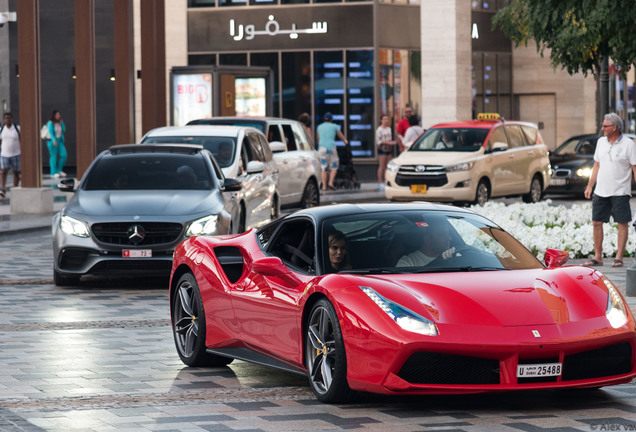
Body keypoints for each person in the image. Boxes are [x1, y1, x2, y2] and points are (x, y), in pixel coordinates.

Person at [583, 113, 636, 268]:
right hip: (601, 191)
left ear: (615, 128)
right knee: (596, 222)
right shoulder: (601, 142)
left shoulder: (629, 144)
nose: (602, 128)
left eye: (605, 126)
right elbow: (596, 165)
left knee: (622, 223)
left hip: (620, 191)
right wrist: (589, 185)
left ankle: (619, 257)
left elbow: (634, 168)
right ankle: (598, 256)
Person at [316, 112, 348, 191]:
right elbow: (340, 135)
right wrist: (345, 141)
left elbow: (317, 138)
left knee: (323, 168)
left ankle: (323, 186)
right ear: (331, 119)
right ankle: (330, 182)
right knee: (334, 166)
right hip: (331, 148)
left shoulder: (319, 127)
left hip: (322, 148)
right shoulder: (335, 126)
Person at [0, 112, 21, 198]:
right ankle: (3, 188)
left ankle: (15, 189)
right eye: (6, 118)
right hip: (4, 154)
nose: (8, 120)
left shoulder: (17, 128)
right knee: (4, 171)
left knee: (16, 172)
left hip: (16, 154)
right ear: (4, 120)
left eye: (10, 118)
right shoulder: (1, 130)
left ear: (12, 119)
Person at [376, 115, 396, 186]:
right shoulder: (379, 130)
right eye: (384, 119)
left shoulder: (389, 129)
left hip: (389, 148)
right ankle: (380, 181)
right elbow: (378, 141)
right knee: (382, 166)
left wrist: (391, 143)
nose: (386, 121)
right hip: (382, 148)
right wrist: (388, 142)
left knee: (388, 166)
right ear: (381, 120)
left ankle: (386, 180)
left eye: (387, 119)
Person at [46, 110, 67, 179]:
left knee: (64, 155)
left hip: (59, 141)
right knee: (53, 156)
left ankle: (59, 169)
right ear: (54, 116)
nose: (59, 116)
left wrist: (62, 122)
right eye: (57, 115)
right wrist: (54, 140)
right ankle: (53, 172)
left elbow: (64, 130)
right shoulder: (50, 123)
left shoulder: (59, 123)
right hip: (52, 141)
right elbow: (51, 132)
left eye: (59, 114)